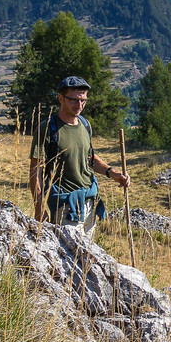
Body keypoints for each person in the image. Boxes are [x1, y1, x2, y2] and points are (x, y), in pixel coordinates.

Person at [30, 75, 129, 228]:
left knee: (85, 252)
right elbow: (35, 170)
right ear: (60, 98)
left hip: (90, 202)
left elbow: (89, 158)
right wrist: (39, 210)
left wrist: (112, 172)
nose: (79, 105)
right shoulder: (47, 128)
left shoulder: (85, 124)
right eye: (74, 100)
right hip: (65, 207)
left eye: (83, 100)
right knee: (69, 252)